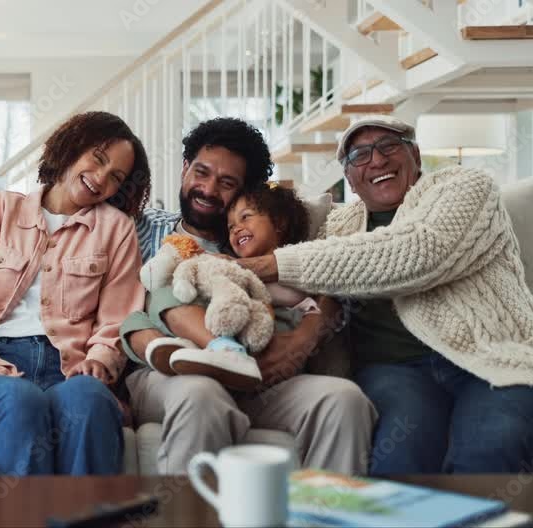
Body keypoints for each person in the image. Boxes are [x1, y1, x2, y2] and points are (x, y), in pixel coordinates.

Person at [238, 115, 533, 474]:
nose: (377, 160)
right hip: (395, 373)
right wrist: (305, 334)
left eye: (389, 146)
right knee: (398, 462)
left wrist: (267, 264)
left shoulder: (465, 186)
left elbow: (419, 252)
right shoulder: (338, 226)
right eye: (360, 155)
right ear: (349, 177)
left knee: (490, 450)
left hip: (496, 356)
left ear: (415, 155)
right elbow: (329, 290)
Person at [120, 117, 376, 475]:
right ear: (184, 169)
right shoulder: (140, 229)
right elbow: (120, 308)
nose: (208, 189)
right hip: (172, 373)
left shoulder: (255, 243)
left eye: (227, 183)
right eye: (201, 172)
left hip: (258, 376)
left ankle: (323, 517)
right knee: (201, 394)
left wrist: (303, 337)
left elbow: (330, 288)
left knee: (343, 400)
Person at [0, 111, 151, 475]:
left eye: (116, 177)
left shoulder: (117, 229)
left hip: (71, 365)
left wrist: (101, 360)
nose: (101, 178)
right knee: (21, 402)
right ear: (71, 146)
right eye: (98, 159)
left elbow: (118, 316)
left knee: (90, 401)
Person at [135, 183, 325, 389]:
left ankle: (213, 351)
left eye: (246, 217)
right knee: (136, 316)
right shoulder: (230, 264)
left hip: (265, 342)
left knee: (159, 300)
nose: (237, 229)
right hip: (227, 332)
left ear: (279, 222)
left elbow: (302, 298)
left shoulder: (298, 266)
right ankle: (191, 349)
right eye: (231, 226)